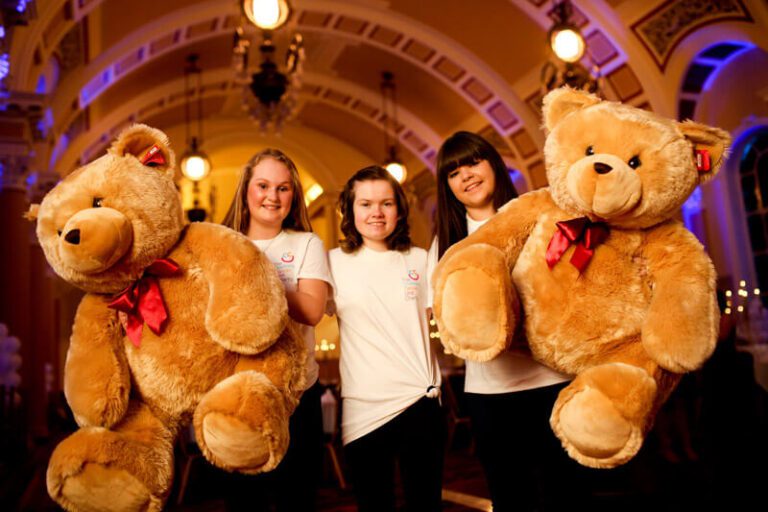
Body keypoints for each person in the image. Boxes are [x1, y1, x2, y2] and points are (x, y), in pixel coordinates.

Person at [427, 131, 578, 512]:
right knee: (511, 497)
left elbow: (571, 285)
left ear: (494, 163)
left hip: (554, 381)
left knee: (565, 492)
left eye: (473, 163)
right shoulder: (447, 242)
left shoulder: (537, 217)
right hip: (490, 394)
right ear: (448, 186)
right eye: (454, 172)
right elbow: (445, 317)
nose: (466, 176)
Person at [221, 148, 331, 511]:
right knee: (243, 503)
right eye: (263, 185)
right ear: (246, 190)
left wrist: (255, 274)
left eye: (283, 188)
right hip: (235, 394)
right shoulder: (221, 243)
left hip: (297, 394)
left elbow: (313, 310)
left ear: (293, 196)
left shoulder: (306, 243)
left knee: (297, 500)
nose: (272, 196)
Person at [328, 166, 444, 512]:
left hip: (420, 402)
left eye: (386, 203)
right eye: (365, 204)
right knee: (373, 504)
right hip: (363, 408)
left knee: (425, 505)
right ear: (350, 211)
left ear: (400, 210)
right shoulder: (332, 263)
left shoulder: (421, 260)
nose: (376, 213)